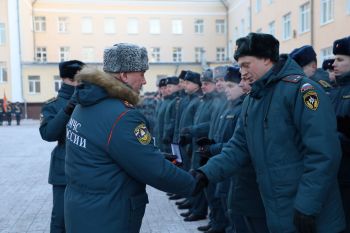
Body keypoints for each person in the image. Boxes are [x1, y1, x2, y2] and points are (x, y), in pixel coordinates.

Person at [191, 33, 345, 233]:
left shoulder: (303, 91)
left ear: (267, 59)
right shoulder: (252, 99)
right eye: (240, 65)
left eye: (247, 65)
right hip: (279, 212)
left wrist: (307, 205)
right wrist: (205, 173)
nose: (242, 72)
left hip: (312, 214)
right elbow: (238, 147)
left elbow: (324, 154)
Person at [64, 43, 195, 233]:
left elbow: (108, 150)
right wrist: (193, 183)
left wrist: (151, 153)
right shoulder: (122, 115)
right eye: (141, 73)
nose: (144, 81)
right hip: (108, 216)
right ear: (124, 75)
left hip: (82, 209)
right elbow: (154, 170)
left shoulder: (84, 103)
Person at [39, 59, 85, 233]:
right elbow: (48, 134)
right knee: (61, 219)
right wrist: (68, 107)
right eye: (76, 80)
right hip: (63, 170)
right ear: (67, 79)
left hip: (88, 169)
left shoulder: (90, 101)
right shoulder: (54, 105)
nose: (79, 84)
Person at [330, 36, 350, 233]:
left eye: (340, 59)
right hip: (334, 176)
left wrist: (330, 138)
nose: (334, 63)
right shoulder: (334, 91)